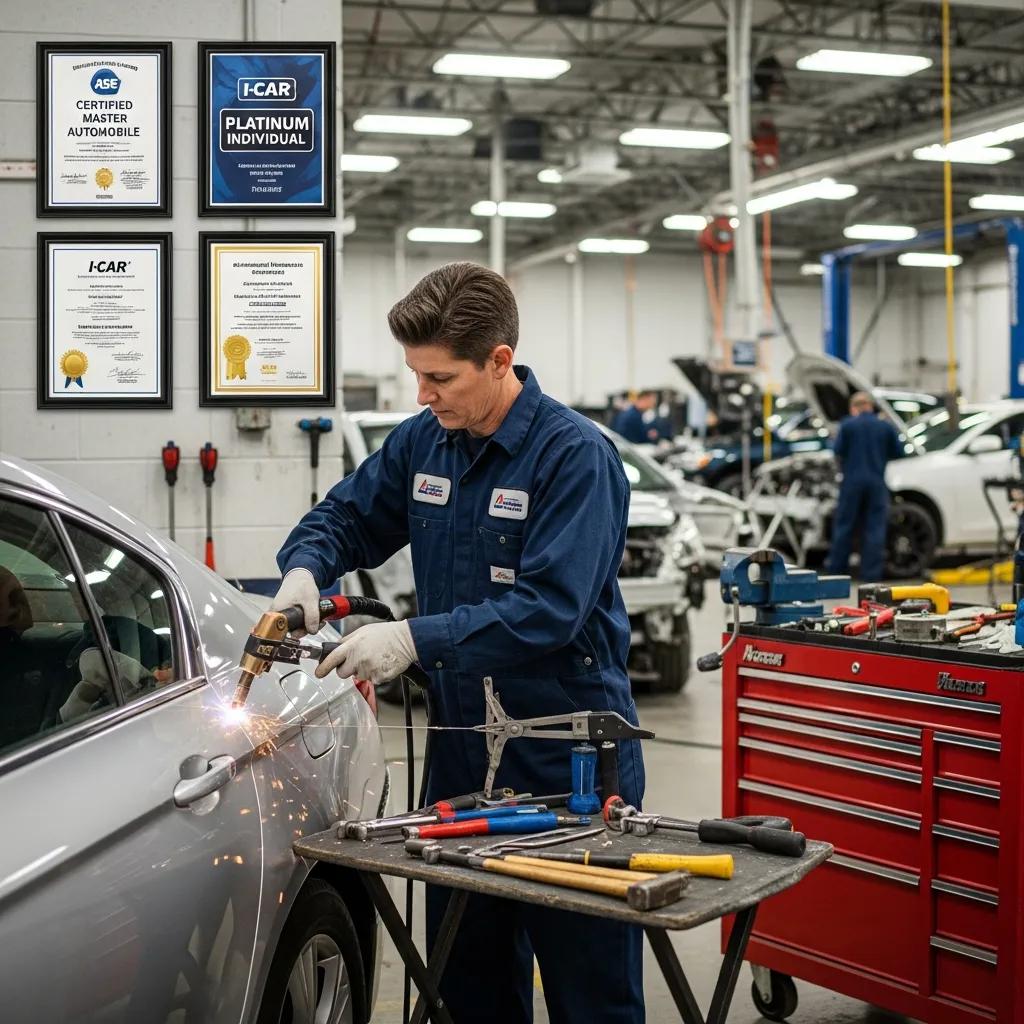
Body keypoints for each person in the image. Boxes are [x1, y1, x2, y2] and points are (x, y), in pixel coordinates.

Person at [274, 261, 645, 1024]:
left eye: (438, 377)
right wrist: (305, 570)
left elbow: (549, 610)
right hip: (460, 747)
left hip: (566, 754)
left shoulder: (576, 458)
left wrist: (412, 638)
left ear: (499, 361)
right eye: (416, 375)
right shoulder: (424, 444)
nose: (422, 394)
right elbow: (346, 516)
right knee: (464, 978)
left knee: (589, 986)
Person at [825, 390, 904, 582]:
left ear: (854, 408)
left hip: (851, 482)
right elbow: (899, 452)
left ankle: (837, 573)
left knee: (844, 525)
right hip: (876, 482)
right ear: (870, 406)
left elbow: (837, 451)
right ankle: (870, 575)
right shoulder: (884, 427)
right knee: (875, 527)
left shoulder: (847, 425)